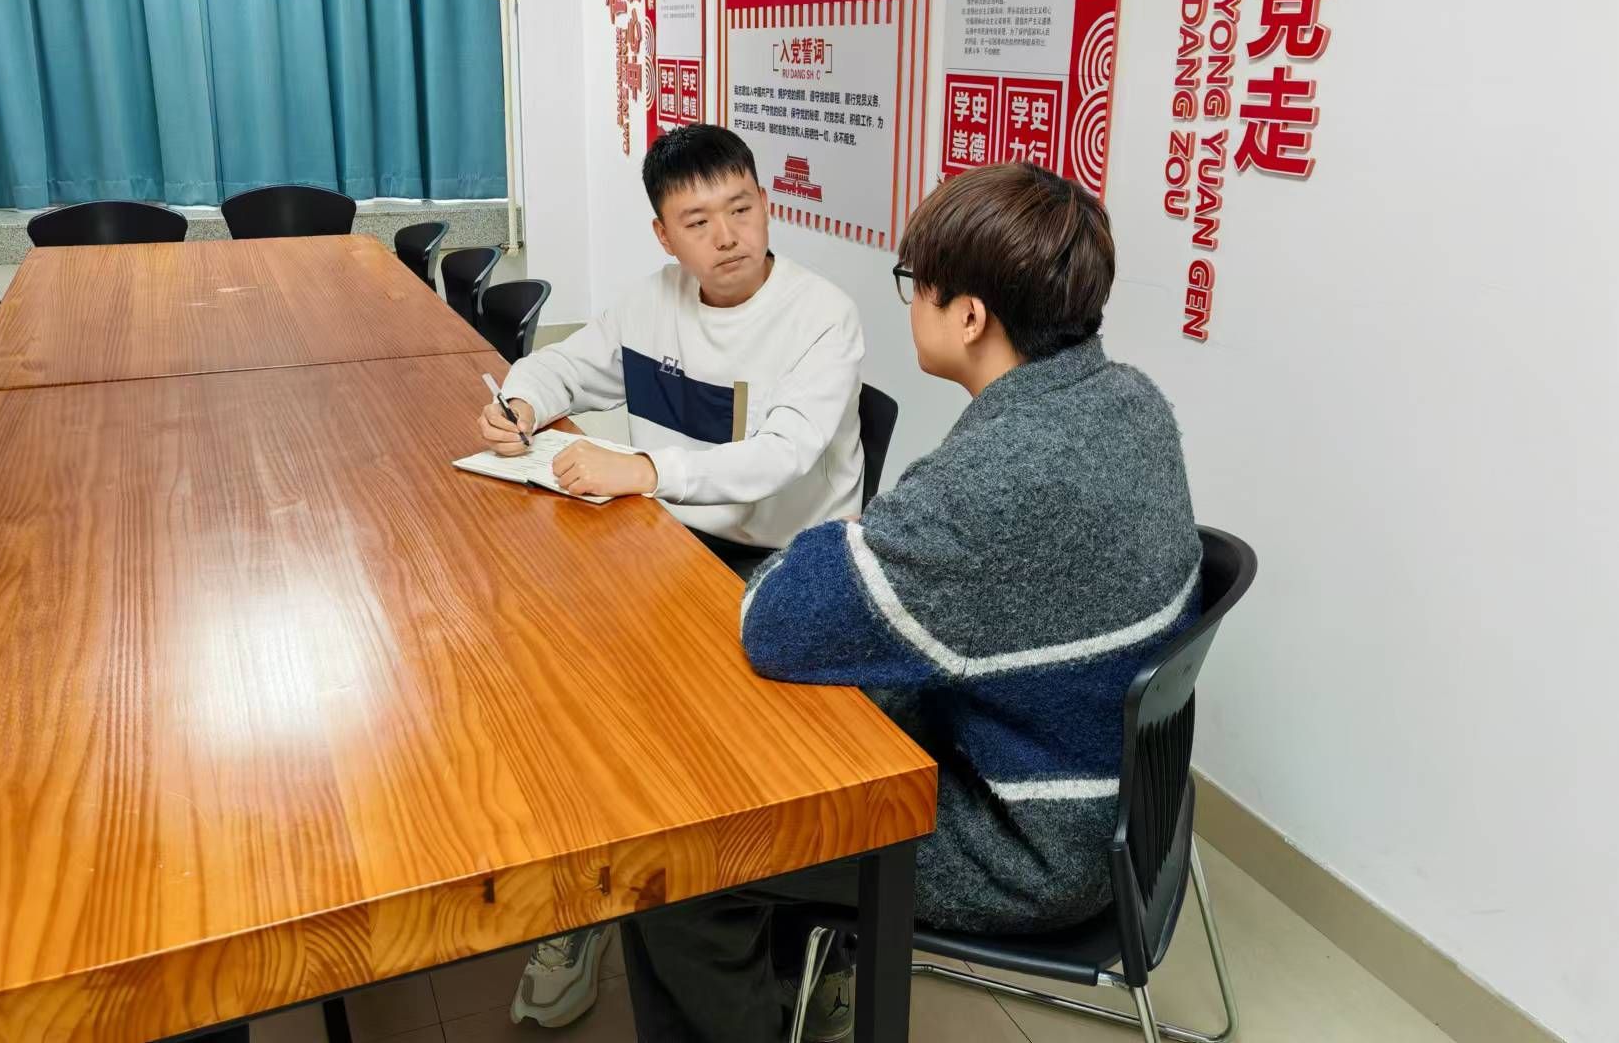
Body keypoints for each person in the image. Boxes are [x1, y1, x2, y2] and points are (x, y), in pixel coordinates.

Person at [620, 161, 1203, 1042]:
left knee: (679, 854)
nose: (909, 302)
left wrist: (853, 535)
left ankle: (776, 979)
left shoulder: (997, 482)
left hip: (1032, 844)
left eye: (915, 283)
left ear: (969, 316)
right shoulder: (1131, 400)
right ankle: (803, 975)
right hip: (1124, 802)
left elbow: (775, 619)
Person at [478, 123, 867, 1028]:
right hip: (671, 547)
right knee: (560, 694)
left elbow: (780, 457)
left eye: (742, 208)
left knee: (677, 760)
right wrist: (523, 399)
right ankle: (590, 900)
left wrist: (645, 469)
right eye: (698, 221)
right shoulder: (652, 300)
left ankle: (714, 922)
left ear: (766, 203)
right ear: (664, 234)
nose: (727, 236)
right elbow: (571, 365)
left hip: (783, 566)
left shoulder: (821, 315)